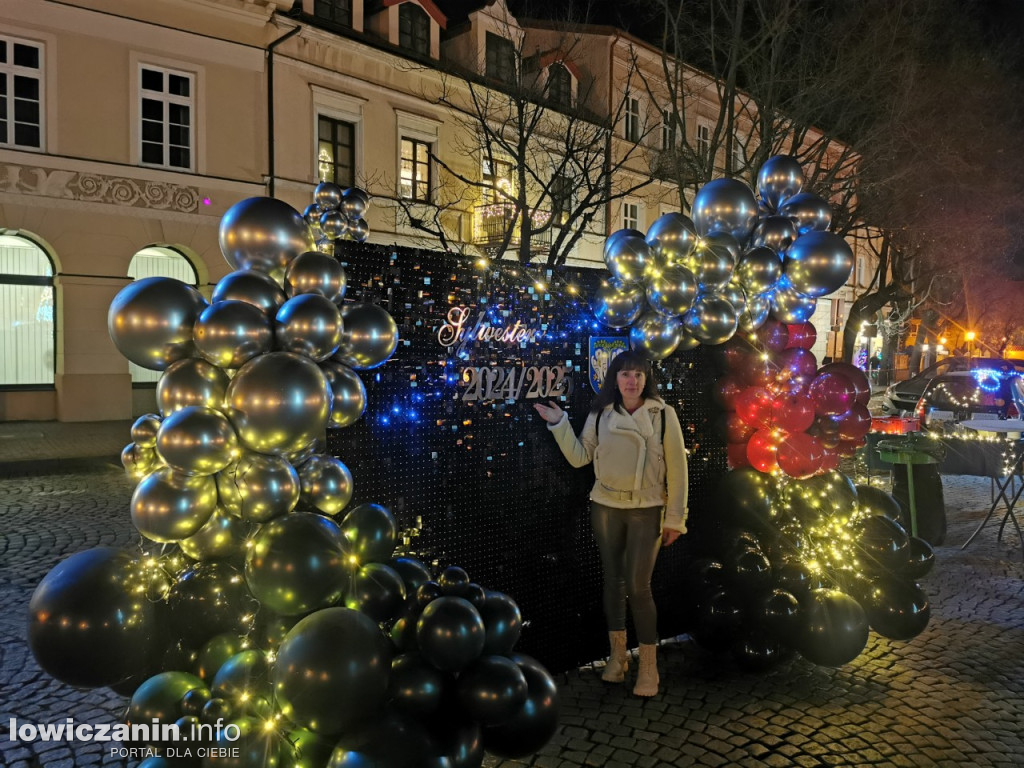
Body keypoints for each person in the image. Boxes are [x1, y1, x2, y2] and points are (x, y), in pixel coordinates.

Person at [534, 350, 687, 697]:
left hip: (646, 508)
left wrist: (675, 519)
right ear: (614, 379)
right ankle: (618, 658)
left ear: (647, 379)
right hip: (605, 505)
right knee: (613, 582)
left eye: (637, 375)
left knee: (639, 586)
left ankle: (648, 666)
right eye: (624, 374)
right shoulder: (600, 413)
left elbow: (679, 472)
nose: (631, 381)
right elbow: (579, 457)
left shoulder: (663, 414)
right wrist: (559, 423)